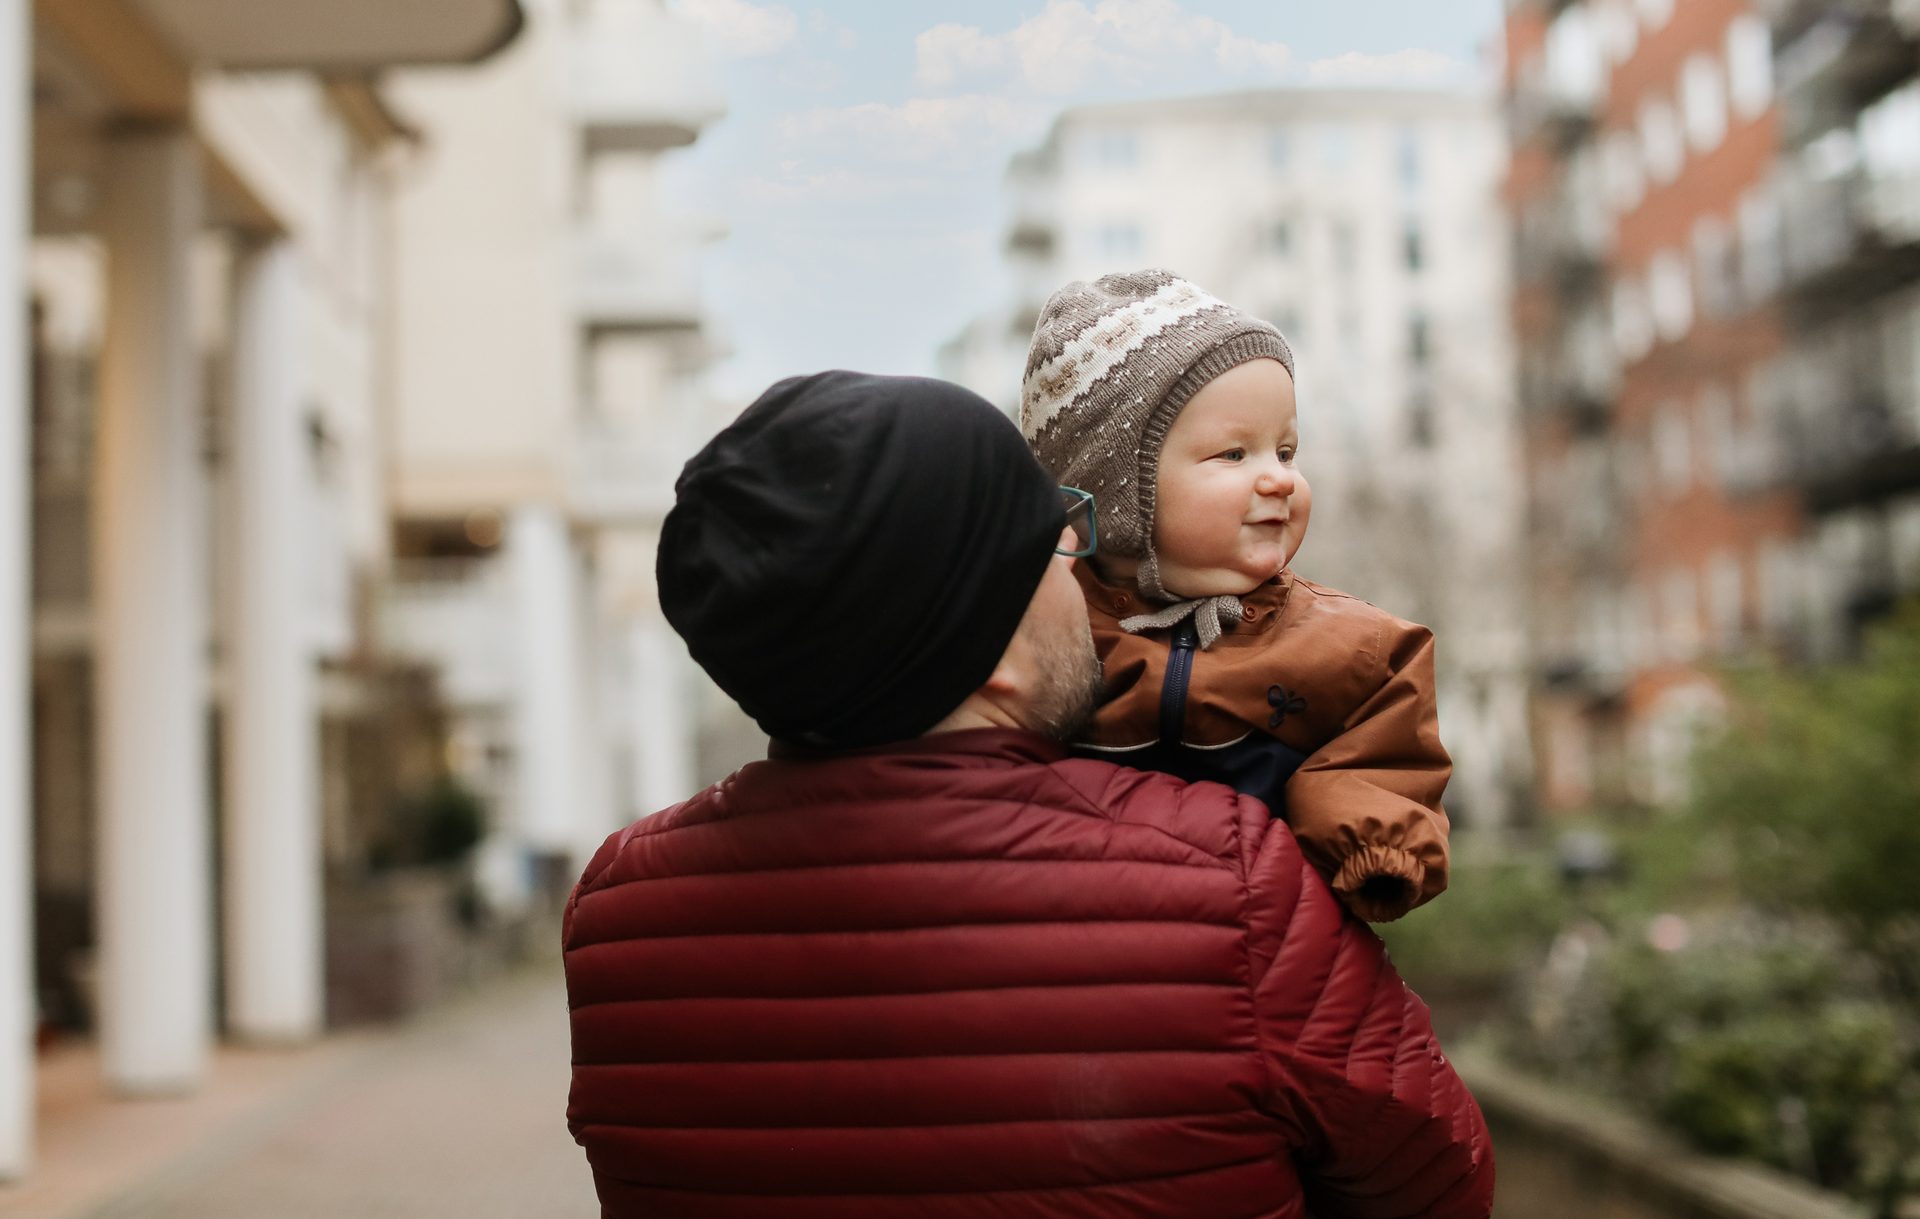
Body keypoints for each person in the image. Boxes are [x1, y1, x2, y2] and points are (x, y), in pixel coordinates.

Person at [562, 370, 1495, 1218]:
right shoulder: (1229, 880)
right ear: (994, 657)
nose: (1086, 574)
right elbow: (1441, 1182)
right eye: (1059, 550)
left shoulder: (620, 916)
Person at [1022, 269, 1451, 924]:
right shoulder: (1048, 631)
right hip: (1088, 938)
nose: (1278, 478)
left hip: (1261, 940)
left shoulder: (1343, 644)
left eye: (1285, 451)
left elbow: (1385, 747)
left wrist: (1373, 841)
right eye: (1234, 453)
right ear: (1113, 490)